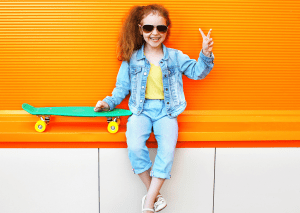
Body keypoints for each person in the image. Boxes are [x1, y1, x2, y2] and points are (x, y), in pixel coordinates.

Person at [94, 4, 214, 213]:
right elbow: (122, 87)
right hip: (141, 110)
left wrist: (204, 54)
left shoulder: (175, 56)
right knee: (135, 147)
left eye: (161, 28)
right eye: (149, 28)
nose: (155, 33)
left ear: (167, 29)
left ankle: (148, 204)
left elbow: (197, 72)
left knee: (166, 153)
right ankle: (154, 196)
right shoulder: (132, 57)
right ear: (140, 29)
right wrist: (108, 103)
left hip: (167, 111)